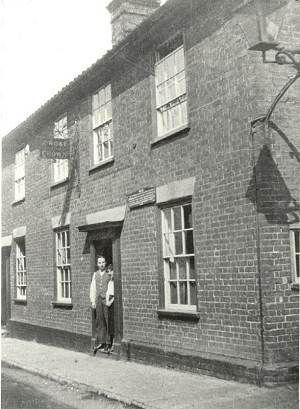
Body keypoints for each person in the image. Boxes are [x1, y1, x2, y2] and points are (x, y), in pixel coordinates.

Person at [90, 255, 111, 354]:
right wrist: (93, 301)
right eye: (99, 263)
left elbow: (111, 287)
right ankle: (101, 341)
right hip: (98, 299)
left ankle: (108, 342)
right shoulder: (95, 274)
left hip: (106, 299)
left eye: (103, 262)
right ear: (97, 264)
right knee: (99, 320)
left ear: (105, 263)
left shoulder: (109, 274)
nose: (101, 264)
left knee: (107, 320)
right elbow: (93, 288)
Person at [106, 264, 114, 353]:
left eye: (110, 271)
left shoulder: (115, 281)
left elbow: (116, 293)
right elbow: (108, 292)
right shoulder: (110, 281)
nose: (109, 274)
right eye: (108, 272)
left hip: (113, 303)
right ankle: (110, 343)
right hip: (109, 302)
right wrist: (107, 301)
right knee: (110, 323)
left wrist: (111, 302)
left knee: (113, 323)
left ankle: (113, 344)